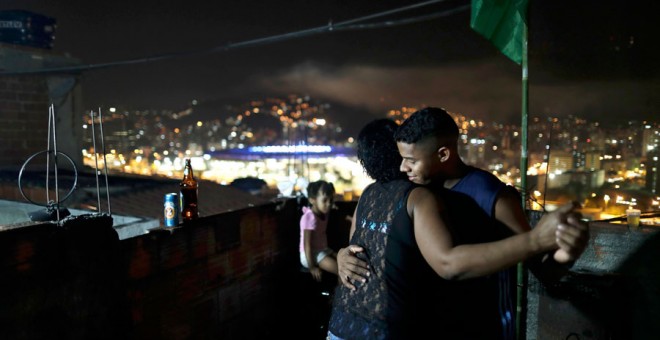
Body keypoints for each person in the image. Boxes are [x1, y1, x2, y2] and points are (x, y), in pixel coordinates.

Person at [337, 108, 590, 339]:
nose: (403, 167)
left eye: (411, 160)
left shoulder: (492, 196)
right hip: (434, 325)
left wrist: (565, 255)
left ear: (443, 154)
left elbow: (541, 268)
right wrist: (343, 255)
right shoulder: (418, 192)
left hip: (482, 324)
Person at [299, 180, 338, 282]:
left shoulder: (323, 213)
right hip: (310, 254)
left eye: (331, 200)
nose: (329, 204)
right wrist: (312, 267)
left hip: (323, 249)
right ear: (312, 200)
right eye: (325, 200)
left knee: (343, 260)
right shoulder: (309, 217)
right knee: (340, 270)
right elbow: (307, 245)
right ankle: (341, 296)